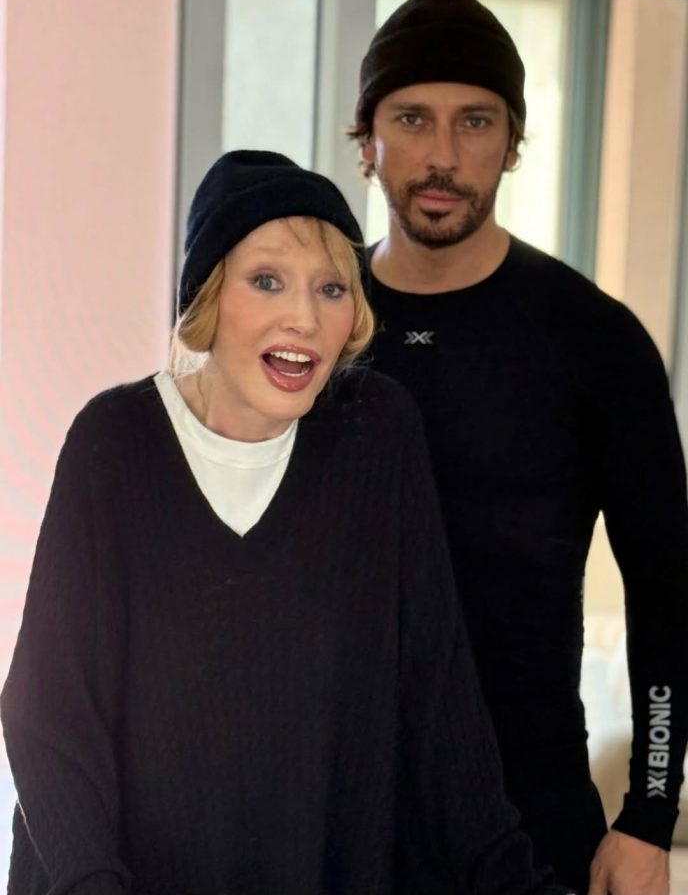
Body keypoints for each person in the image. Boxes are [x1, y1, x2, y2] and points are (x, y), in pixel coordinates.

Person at [1, 150, 568, 895]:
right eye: (267, 280)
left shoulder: (375, 434)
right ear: (208, 293)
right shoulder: (115, 443)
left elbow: (439, 700)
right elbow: (47, 716)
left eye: (332, 288)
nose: (305, 317)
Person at [348, 0, 688, 893]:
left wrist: (649, 816)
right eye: (412, 118)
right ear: (367, 138)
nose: (443, 155)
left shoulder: (594, 339)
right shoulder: (315, 331)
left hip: (527, 811)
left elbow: (667, 592)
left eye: (475, 121)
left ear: (512, 141)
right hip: (335, 808)